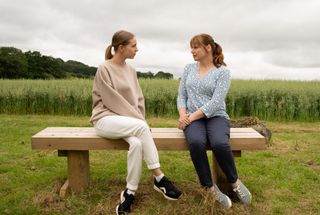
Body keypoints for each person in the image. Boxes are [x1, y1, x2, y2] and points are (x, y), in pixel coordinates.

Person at [90, 30, 182, 214]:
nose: (137, 49)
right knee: (141, 128)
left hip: (128, 121)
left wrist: (140, 118)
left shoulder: (131, 70)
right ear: (121, 48)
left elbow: (139, 99)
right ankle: (159, 177)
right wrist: (140, 122)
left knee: (137, 143)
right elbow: (111, 101)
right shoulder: (104, 68)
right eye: (134, 46)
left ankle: (130, 192)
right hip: (104, 119)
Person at [177, 33, 252, 209]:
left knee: (219, 143)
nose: (192, 51)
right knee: (196, 142)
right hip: (192, 119)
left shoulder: (223, 72)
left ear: (208, 48)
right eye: (191, 48)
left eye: (195, 47)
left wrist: (189, 117)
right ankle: (209, 187)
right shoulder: (188, 68)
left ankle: (234, 182)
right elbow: (181, 95)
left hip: (216, 116)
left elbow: (216, 102)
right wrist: (182, 115)